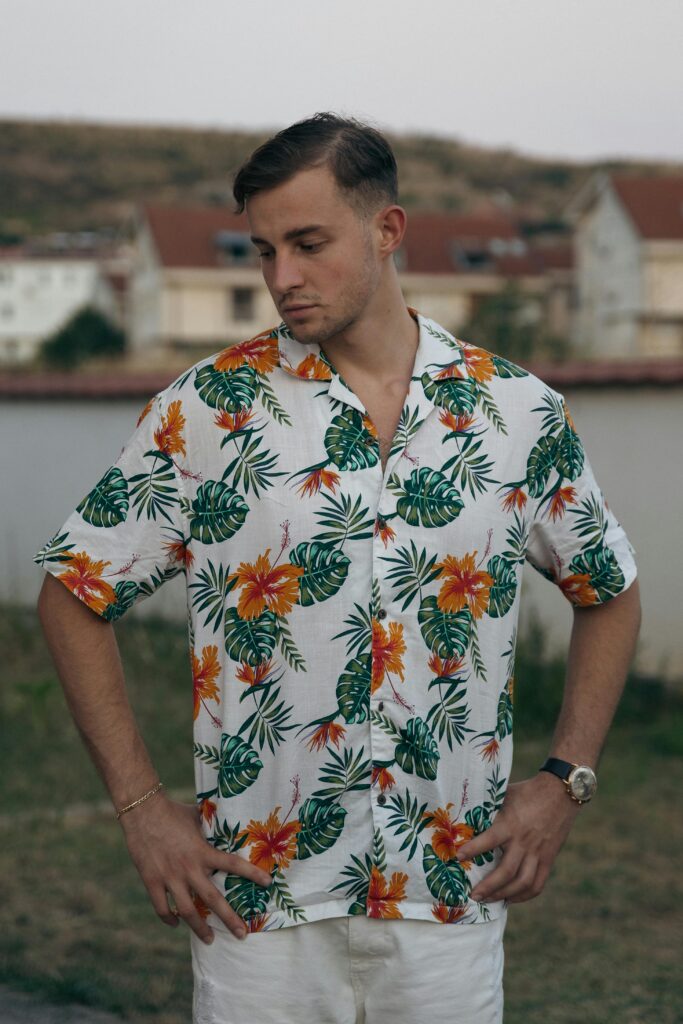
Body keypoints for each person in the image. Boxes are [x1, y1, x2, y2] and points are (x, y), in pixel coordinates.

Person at [34, 112, 642, 1024]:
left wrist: (564, 780)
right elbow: (73, 593)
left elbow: (610, 590)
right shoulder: (206, 411)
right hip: (255, 908)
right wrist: (140, 809)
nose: (282, 277)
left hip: (449, 894)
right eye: (263, 249)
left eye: (308, 243)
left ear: (386, 231)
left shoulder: (516, 414)